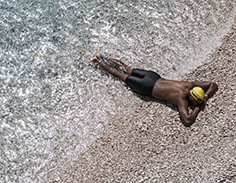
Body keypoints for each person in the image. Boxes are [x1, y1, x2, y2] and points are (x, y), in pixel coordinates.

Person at [90, 53, 218, 127]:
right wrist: (197, 108)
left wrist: (205, 96)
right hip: (147, 87)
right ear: (192, 97)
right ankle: (97, 62)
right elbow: (187, 121)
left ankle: (102, 57)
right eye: (195, 101)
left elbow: (213, 84)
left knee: (126, 68)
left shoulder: (190, 84)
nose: (194, 104)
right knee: (121, 75)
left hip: (153, 76)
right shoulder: (181, 99)